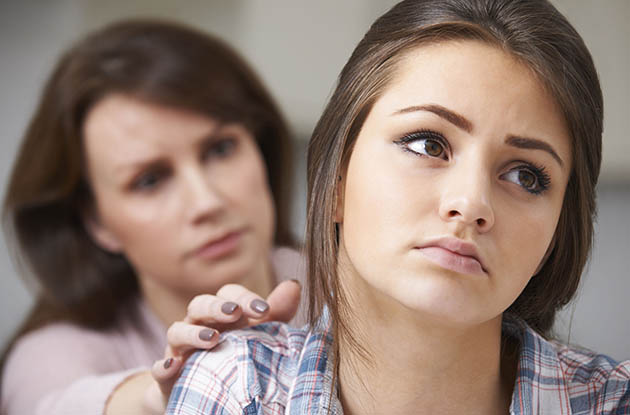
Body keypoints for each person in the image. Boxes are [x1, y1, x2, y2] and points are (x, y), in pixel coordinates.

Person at [166, 0, 630, 414]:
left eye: (526, 176)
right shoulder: (237, 386)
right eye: (428, 144)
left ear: (555, 235)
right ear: (337, 178)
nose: (470, 204)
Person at [0, 19, 305, 414]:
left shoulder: (353, 278)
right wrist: (173, 392)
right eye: (148, 181)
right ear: (96, 222)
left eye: (220, 149)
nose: (206, 202)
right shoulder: (49, 358)